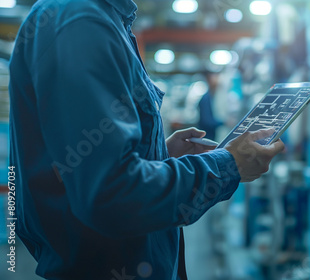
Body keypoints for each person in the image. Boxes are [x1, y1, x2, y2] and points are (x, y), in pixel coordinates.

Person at [8, 0, 284, 279]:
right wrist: (226, 166)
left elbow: (93, 163)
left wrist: (157, 155)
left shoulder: (106, 20)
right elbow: (111, 194)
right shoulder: (81, 22)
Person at [197, 71, 223, 140]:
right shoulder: (206, 99)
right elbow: (207, 121)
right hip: (207, 137)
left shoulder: (213, 97)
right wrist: (224, 122)